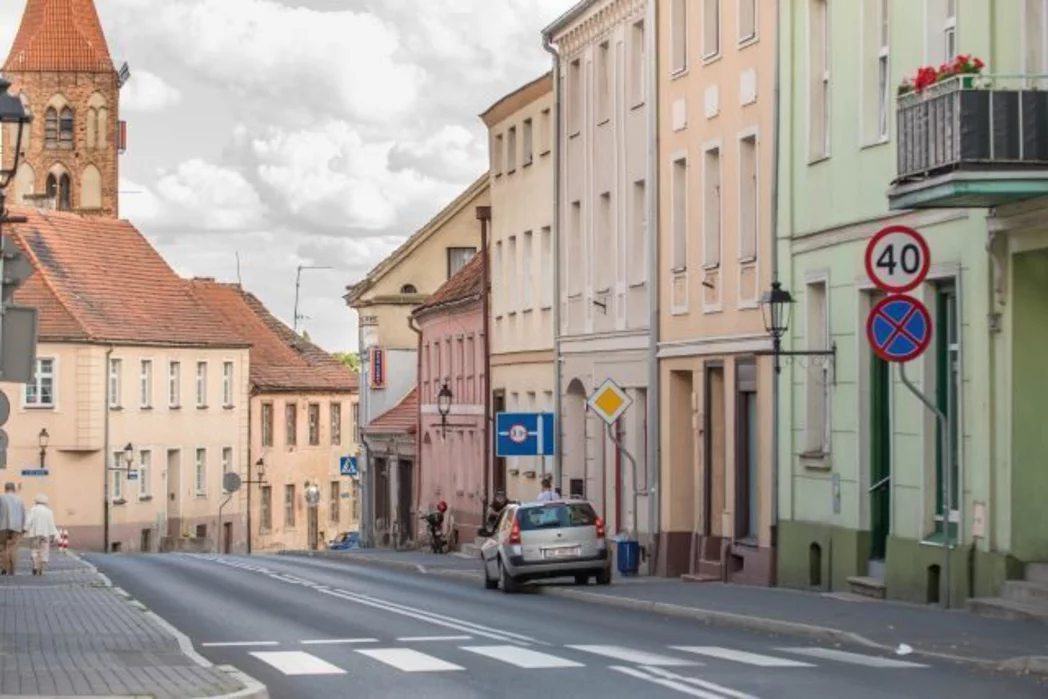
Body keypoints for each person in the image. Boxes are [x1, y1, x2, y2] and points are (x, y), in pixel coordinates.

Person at [24, 494, 59, 576]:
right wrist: (53, 534)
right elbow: (51, 524)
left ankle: (35, 566)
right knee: (44, 551)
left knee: (34, 550)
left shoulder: (33, 510)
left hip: (35, 534)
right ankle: (41, 568)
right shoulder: (49, 511)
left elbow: (28, 521)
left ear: (36, 501)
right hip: (45, 534)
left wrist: (25, 529)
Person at [0, 483, 26, 576]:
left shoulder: (1, 497)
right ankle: (12, 570)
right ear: (13, 489)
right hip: (16, 528)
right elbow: (23, 514)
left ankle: (3, 568)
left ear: (5, 488)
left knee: (2, 548)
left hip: (2, 527)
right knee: (14, 548)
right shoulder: (19, 499)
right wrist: (23, 528)